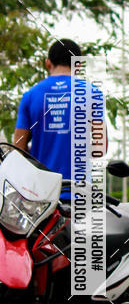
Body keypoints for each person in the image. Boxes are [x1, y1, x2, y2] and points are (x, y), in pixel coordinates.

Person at [13, 39, 106, 191]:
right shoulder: (93, 93)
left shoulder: (30, 96)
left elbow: (18, 149)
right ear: (78, 65)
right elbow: (100, 148)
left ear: (48, 63)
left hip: (41, 193)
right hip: (80, 192)